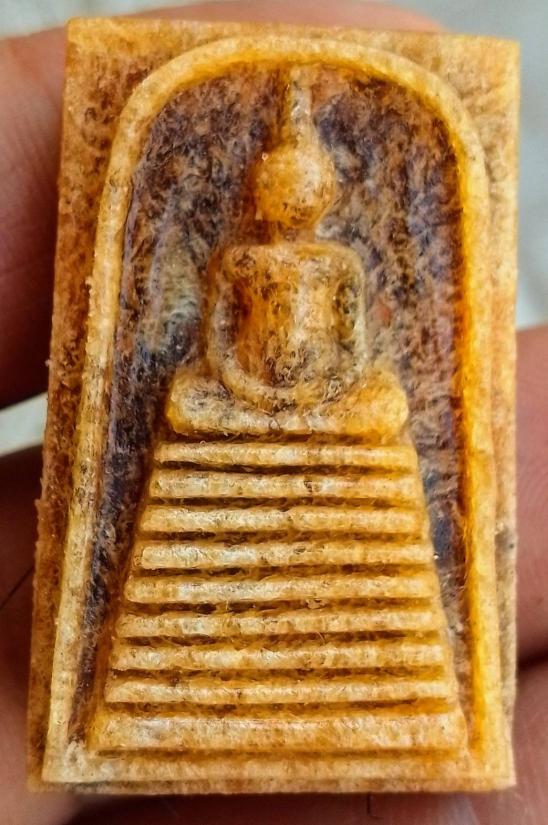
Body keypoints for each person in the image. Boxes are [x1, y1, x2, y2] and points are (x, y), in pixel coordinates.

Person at [0, 2, 546, 823]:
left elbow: (354, 354)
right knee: (185, 400)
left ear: (320, 192)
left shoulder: (337, 263)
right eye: (280, 186)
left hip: (328, 403)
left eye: (304, 188)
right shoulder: (240, 260)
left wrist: (316, 397)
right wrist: (252, 396)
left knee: (386, 402)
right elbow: (219, 346)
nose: (292, 200)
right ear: (264, 189)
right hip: (240, 400)